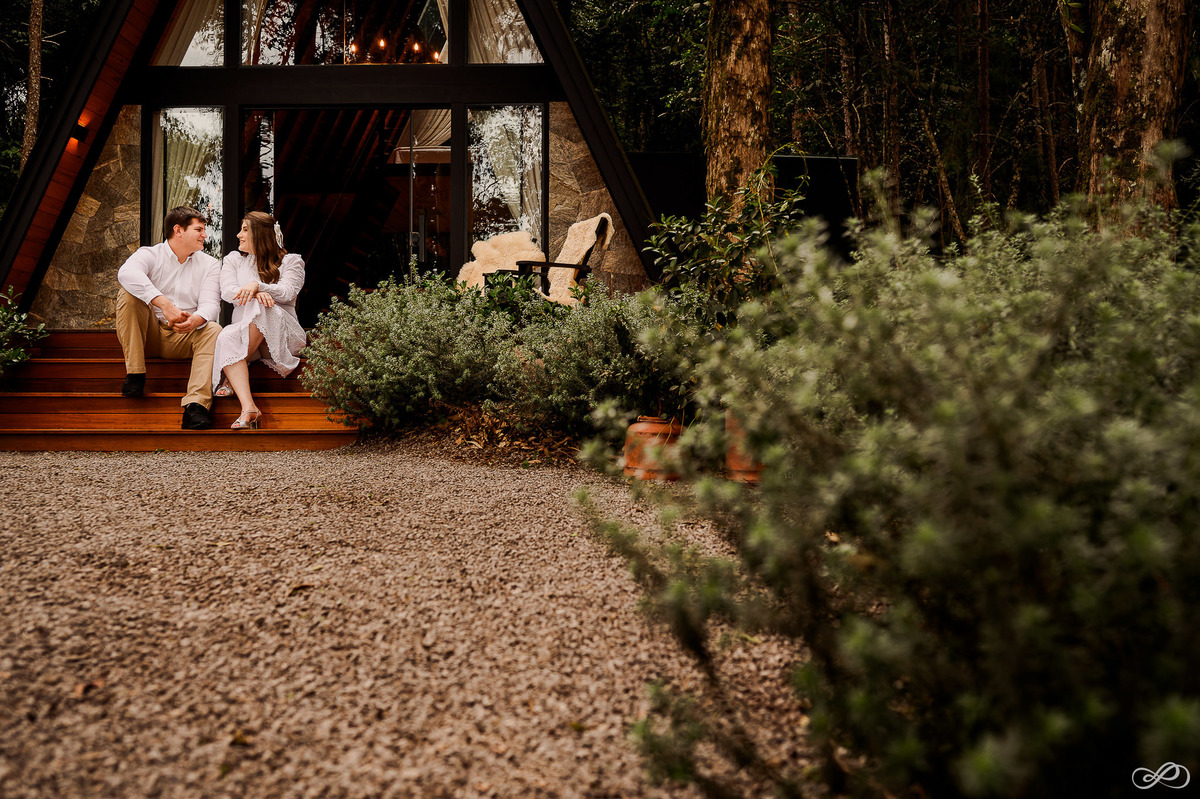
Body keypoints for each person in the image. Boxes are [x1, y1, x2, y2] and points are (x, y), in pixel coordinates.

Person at [116, 205, 222, 430]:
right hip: (147, 334)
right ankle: (135, 374)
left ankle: (196, 406)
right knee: (129, 293)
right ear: (178, 230)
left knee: (214, 330)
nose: (205, 235)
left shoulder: (210, 264)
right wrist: (164, 304)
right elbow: (125, 273)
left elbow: (211, 304)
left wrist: (195, 320)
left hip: (183, 336)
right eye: (199, 229)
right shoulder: (149, 254)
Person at [211, 211, 306, 430]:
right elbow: (227, 292)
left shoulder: (291, 262)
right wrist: (254, 293)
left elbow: (287, 292)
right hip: (248, 338)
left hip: (283, 337)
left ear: (261, 234)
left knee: (264, 305)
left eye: (245, 230)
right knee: (227, 333)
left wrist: (260, 287)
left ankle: (231, 370)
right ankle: (249, 408)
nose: (238, 235)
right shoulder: (234, 261)